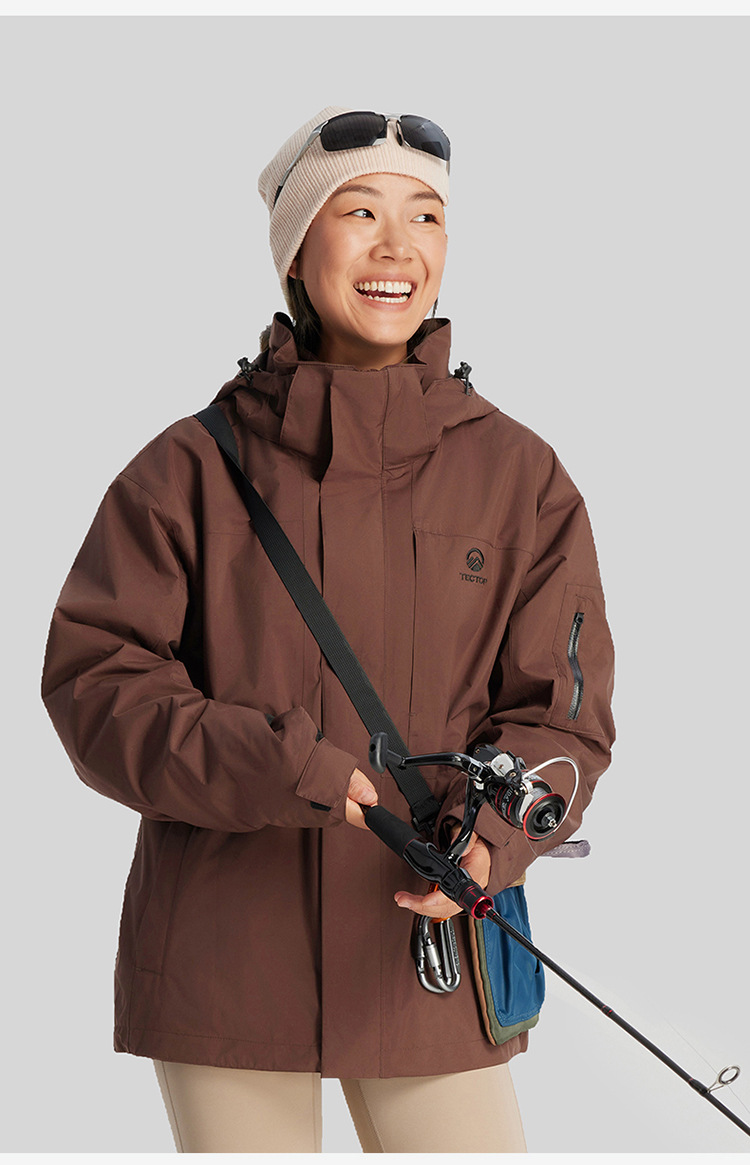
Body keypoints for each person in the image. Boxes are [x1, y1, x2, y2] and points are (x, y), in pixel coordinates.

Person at [41, 107, 616, 1153]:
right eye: (359, 213)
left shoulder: (520, 476)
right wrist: (279, 764)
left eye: (426, 216)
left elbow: (564, 716)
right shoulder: (186, 471)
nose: (398, 247)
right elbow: (97, 687)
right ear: (297, 253)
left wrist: (491, 840)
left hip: (428, 958)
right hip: (226, 960)